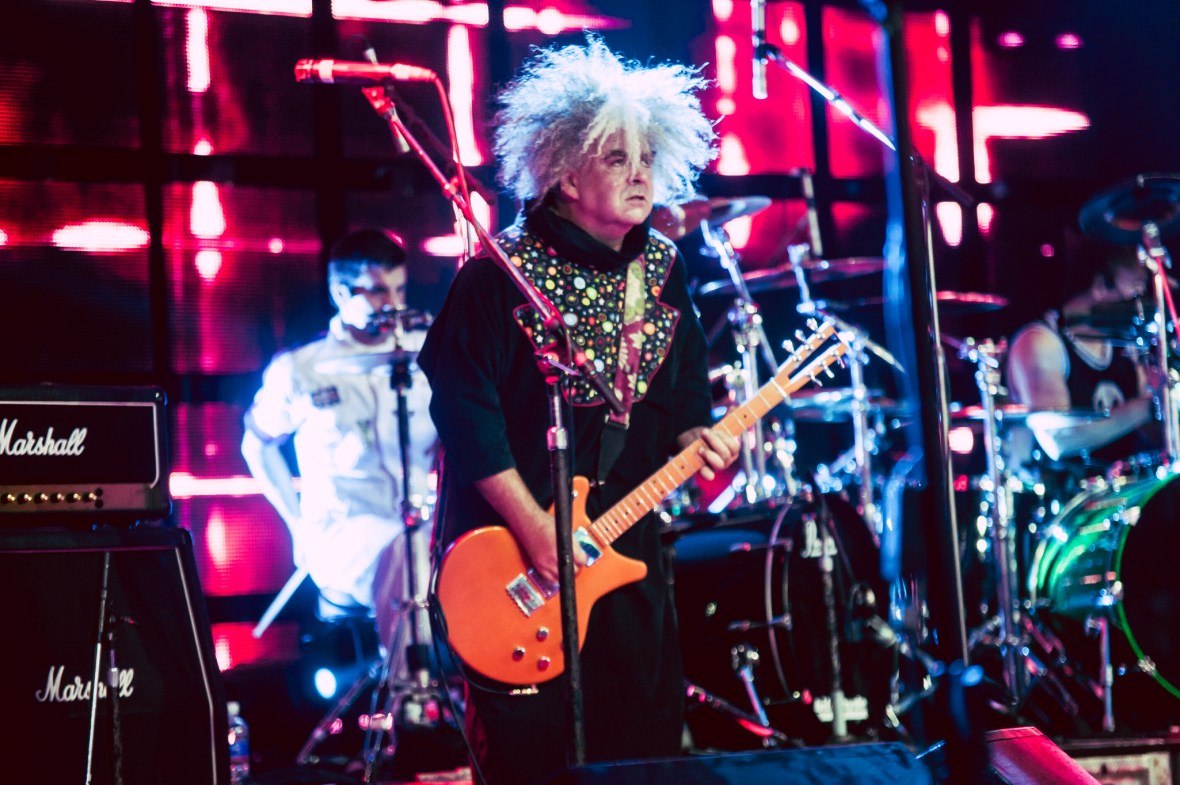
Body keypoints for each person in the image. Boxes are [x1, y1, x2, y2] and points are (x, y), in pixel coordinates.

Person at [417, 36, 740, 785]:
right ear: (565, 174)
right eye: (617, 159)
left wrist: (699, 434)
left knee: (643, 751)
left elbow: (684, 387)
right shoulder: (498, 276)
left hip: (625, 554)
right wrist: (536, 528)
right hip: (513, 558)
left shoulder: (662, 268)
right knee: (535, 762)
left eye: (647, 159)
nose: (640, 175)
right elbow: (465, 415)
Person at [241, 228, 437, 655]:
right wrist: (297, 526)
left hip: (425, 522)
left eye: (401, 290)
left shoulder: (428, 354)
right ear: (339, 292)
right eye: (379, 291)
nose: (394, 304)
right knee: (408, 552)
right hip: (342, 532)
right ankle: (411, 688)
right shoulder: (300, 368)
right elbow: (256, 444)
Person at [1006, 238, 1158, 470]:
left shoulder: (1126, 344)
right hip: (1061, 490)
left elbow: (1148, 431)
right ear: (1100, 285)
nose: (1141, 299)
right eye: (1136, 287)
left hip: (1125, 485)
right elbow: (1058, 440)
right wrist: (1151, 406)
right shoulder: (1041, 342)